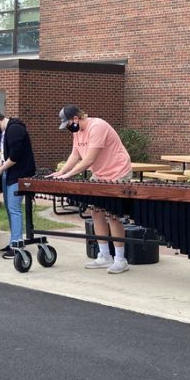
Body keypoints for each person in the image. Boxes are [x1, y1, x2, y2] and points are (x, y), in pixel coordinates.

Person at [47, 105, 133, 274]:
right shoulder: (77, 132)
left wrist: (70, 175)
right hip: (100, 174)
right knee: (96, 212)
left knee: (113, 215)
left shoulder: (97, 126)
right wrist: (61, 172)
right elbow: (75, 155)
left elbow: (89, 159)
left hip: (118, 171)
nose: (69, 128)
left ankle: (121, 260)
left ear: (76, 119)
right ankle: (104, 255)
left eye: (69, 124)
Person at [0, 110, 36, 259]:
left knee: (15, 208)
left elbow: (14, 157)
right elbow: (4, 156)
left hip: (19, 174)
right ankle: (14, 240)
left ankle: (17, 244)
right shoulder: (3, 133)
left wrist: (0, 170)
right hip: (9, 174)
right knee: (9, 208)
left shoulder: (15, 129)